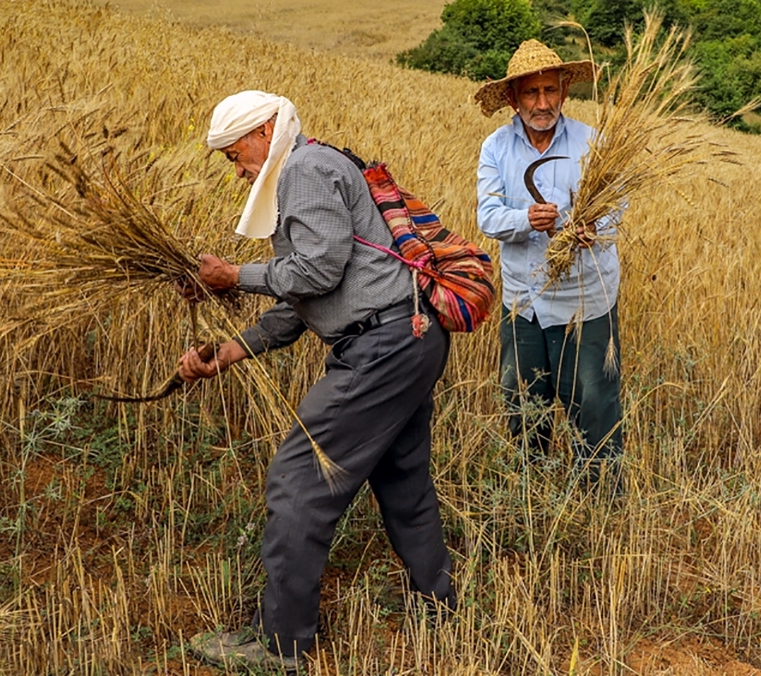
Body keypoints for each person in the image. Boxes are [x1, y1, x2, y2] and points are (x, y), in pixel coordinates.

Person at [179, 90, 455, 671]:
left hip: (381, 346)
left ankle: (280, 645)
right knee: (402, 476)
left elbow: (318, 269)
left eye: (237, 155)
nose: (239, 170)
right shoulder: (311, 169)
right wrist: (228, 352)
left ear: (266, 131)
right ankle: (439, 607)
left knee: (298, 479)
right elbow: (301, 299)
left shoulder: (303, 167)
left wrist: (235, 276)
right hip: (409, 338)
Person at [474, 40, 623, 485]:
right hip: (524, 302)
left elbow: (616, 204)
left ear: (564, 91)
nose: (543, 103)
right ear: (512, 99)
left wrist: (591, 227)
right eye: (531, 93)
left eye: (550, 91)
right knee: (524, 403)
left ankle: (600, 503)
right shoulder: (496, 148)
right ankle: (531, 494)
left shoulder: (591, 143)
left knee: (593, 405)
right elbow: (487, 214)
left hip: (584, 299)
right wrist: (526, 219)